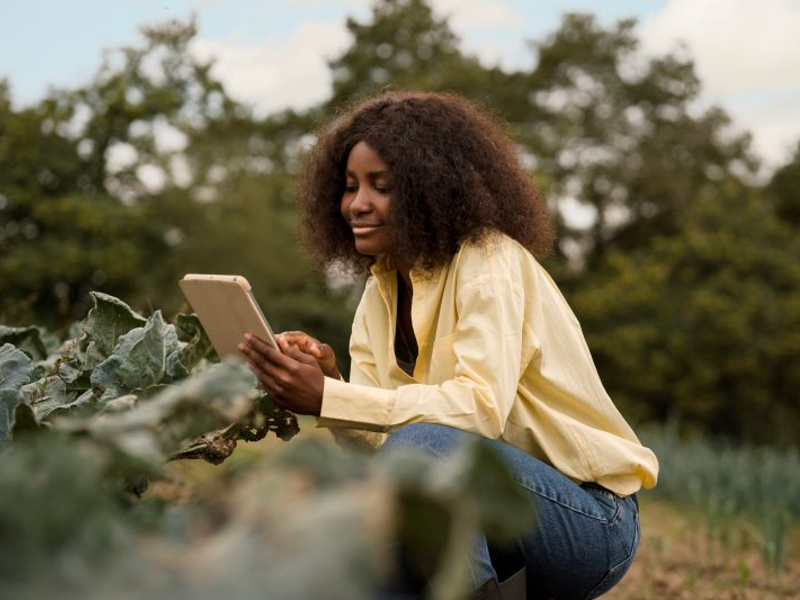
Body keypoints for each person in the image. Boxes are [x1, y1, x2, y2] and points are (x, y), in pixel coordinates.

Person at [238, 91, 659, 599]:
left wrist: (330, 400)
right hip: (482, 509)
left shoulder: (489, 261)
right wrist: (331, 387)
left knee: (427, 448)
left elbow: (478, 410)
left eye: (381, 186)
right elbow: (381, 450)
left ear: (428, 188)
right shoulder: (379, 291)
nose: (357, 204)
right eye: (349, 187)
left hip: (587, 519)